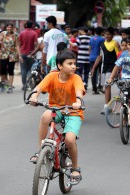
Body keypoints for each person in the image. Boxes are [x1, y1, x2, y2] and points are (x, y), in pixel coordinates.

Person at [29, 49, 85, 185]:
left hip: (73, 112)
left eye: (74, 64)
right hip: (56, 109)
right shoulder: (51, 76)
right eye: (69, 63)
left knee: (70, 139)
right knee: (45, 116)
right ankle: (41, 149)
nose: (73, 66)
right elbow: (39, 87)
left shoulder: (76, 78)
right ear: (60, 66)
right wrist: (34, 96)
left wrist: (78, 101)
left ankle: (76, 168)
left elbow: (79, 91)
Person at [90, 27, 119, 114]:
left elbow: (119, 56)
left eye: (109, 34)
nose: (106, 36)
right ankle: (108, 106)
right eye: (105, 34)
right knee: (106, 87)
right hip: (104, 67)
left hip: (113, 67)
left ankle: (106, 106)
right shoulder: (102, 43)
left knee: (107, 86)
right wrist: (94, 68)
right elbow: (100, 56)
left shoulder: (115, 44)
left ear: (112, 35)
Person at [0, 23, 21, 93]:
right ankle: (3, 83)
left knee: (11, 70)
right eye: (8, 27)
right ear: (6, 28)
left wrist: (19, 55)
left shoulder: (16, 35)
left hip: (12, 54)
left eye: (10, 27)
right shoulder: (2, 34)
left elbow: (17, 45)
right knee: (3, 70)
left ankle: (10, 86)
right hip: (3, 54)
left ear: (12, 28)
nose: (9, 29)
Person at [18, 20, 38, 89]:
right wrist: (35, 52)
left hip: (23, 53)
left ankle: (24, 85)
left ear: (26, 25)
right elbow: (36, 44)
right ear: (32, 25)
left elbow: (19, 44)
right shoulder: (34, 33)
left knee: (23, 69)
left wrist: (19, 54)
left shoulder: (22, 33)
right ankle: (30, 83)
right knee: (29, 69)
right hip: (31, 54)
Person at [89, 27, 104, 94]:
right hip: (99, 57)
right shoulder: (102, 39)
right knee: (100, 73)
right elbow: (102, 49)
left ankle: (94, 89)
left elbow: (89, 48)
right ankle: (100, 86)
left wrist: (90, 55)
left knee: (93, 73)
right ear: (101, 32)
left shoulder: (91, 38)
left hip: (92, 57)